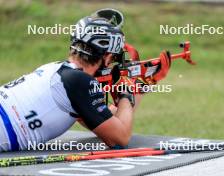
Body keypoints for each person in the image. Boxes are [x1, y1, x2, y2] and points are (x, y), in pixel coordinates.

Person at [0, 9, 171, 152]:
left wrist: (141, 86)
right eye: (113, 59)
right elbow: (119, 138)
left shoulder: (58, 69)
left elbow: (104, 122)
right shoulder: (80, 81)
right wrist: (127, 93)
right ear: (107, 57)